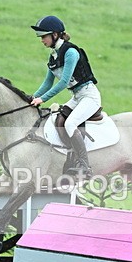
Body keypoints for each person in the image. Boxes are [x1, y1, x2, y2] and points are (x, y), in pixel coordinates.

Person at [30, 15, 101, 178]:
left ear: (55, 34)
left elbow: (63, 82)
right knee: (58, 120)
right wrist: (32, 98)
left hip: (89, 96)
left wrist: (43, 99)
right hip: (77, 97)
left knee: (70, 124)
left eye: (44, 36)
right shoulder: (53, 56)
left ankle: (85, 166)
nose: (41, 40)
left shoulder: (70, 52)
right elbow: (47, 83)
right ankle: (71, 158)